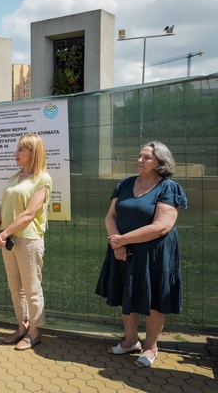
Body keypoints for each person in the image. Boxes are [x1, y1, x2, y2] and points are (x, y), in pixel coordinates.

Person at [95, 141, 187, 368]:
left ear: (160, 163)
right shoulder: (125, 184)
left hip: (154, 253)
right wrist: (117, 244)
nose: (139, 160)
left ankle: (151, 347)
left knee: (154, 298)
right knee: (126, 293)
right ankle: (130, 340)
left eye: (146, 157)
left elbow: (162, 226)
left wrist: (123, 240)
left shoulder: (168, 188)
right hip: (123, 250)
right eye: (139, 156)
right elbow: (110, 216)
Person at [0, 133, 52, 351]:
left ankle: (35, 332)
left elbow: (29, 213)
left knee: (32, 288)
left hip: (28, 240)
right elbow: (2, 206)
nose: (15, 153)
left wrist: (4, 232)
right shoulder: (15, 177)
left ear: (33, 153)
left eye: (21, 150)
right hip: (7, 239)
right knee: (16, 288)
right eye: (17, 149)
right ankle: (22, 326)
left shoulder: (42, 179)